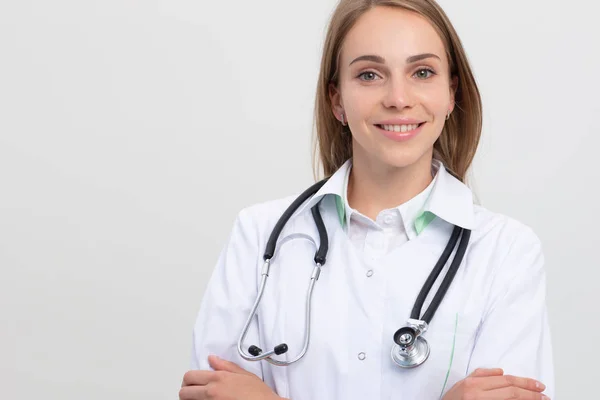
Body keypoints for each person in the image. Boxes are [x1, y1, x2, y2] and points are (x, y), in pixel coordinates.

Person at [179, 0, 555, 399]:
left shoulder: (507, 252)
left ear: (450, 93)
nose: (398, 98)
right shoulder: (259, 235)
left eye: (422, 72)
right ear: (337, 100)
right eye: (370, 74)